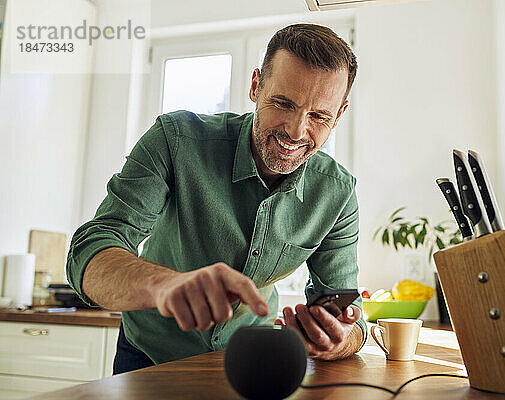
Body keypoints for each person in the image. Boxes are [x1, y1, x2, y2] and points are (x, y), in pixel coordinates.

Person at [66, 23, 367, 374]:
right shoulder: (175, 140)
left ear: (340, 115)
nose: (296, 131)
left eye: (319, 116)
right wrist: (166, 284)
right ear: (256, 86)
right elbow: (88, 253)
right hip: (149, 355)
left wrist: (339, 338)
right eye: (283, 103)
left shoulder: (337, 191)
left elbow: (347, 311)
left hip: (252, 360)